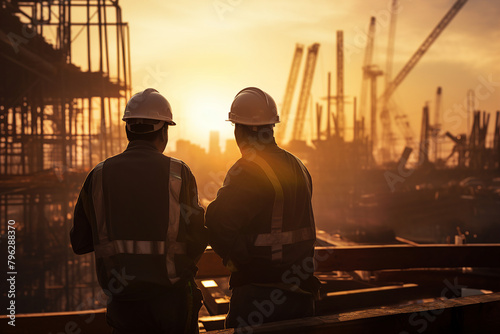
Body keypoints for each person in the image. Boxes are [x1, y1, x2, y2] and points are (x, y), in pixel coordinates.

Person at [70, 88, 208, 334]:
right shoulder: (178, 173)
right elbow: (198, 237)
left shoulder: (98, 176)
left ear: (127, 130)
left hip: (124, 305)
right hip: (171, 302)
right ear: (164, 131)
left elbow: (80, 242)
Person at [205, 87, 320, 329]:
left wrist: (240, 259)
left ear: (240, 130)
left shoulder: (248, 170)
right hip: (301, 295)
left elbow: (217, 223)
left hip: (260, 295)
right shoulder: (298, 165)